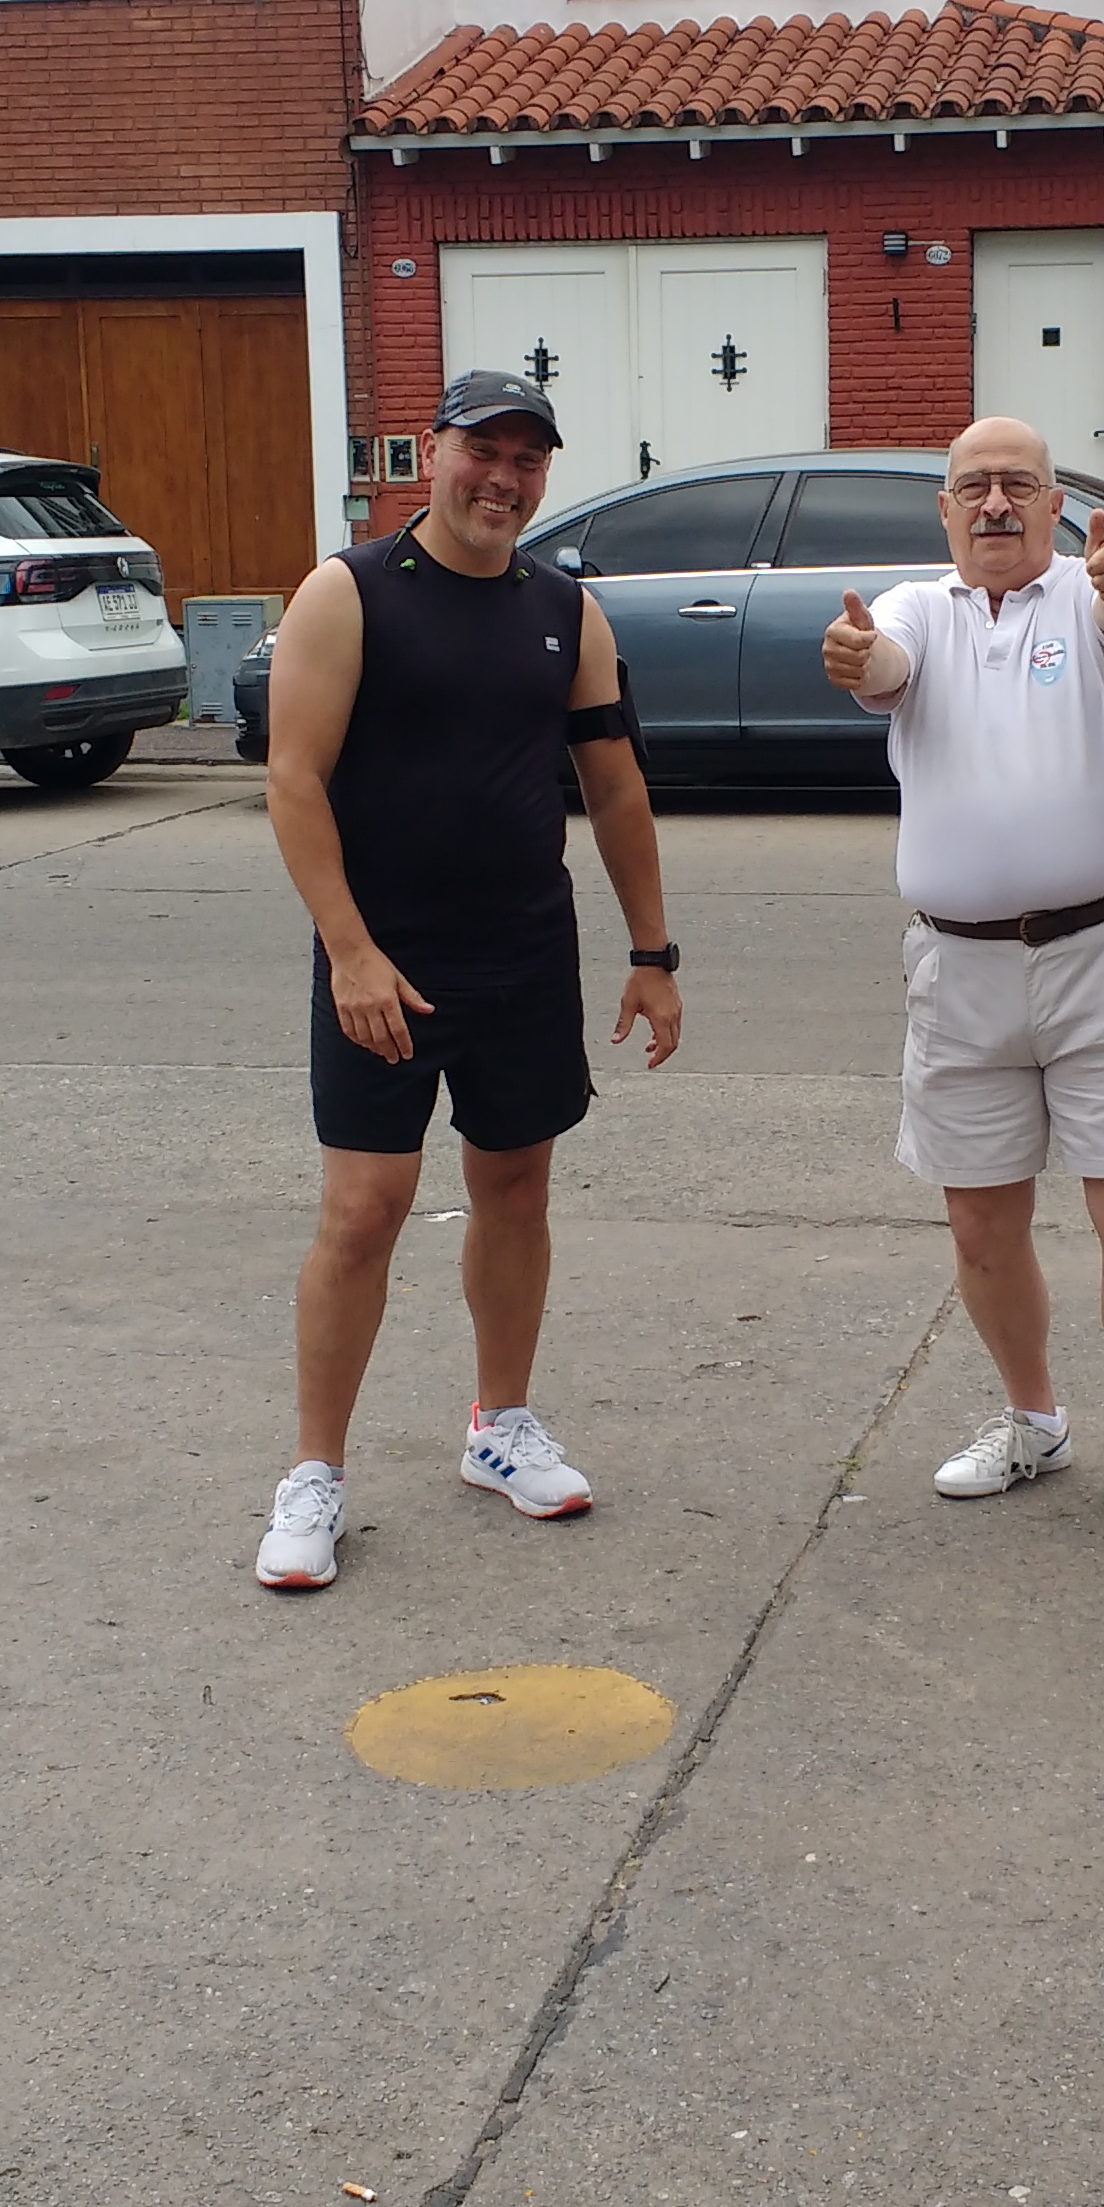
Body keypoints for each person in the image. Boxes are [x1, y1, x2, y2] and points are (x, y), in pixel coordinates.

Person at [250, 372, 684, 1593]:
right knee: (364, 1210)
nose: (501, 478)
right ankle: (314, 1474)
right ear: (431, 453)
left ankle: (500, 1426)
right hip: (386, 956)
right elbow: (293, 780)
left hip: (523, 952)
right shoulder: (350, 592)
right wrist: (349, 950)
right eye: (479, 451)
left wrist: (651, 953)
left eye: (525, 459)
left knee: (515, 1188)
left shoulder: (564, 609)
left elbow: (613, 789)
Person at [821, 418, 1104, 1540]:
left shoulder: (1097, 599)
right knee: (980, 1223)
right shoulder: (913, 609)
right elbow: (884, 669)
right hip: (961, 966)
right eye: (973, 487)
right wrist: (858, 658)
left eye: (1018, 485)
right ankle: (1032, 1419)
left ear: (1054, 504)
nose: (994, 503)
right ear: (945, 510)